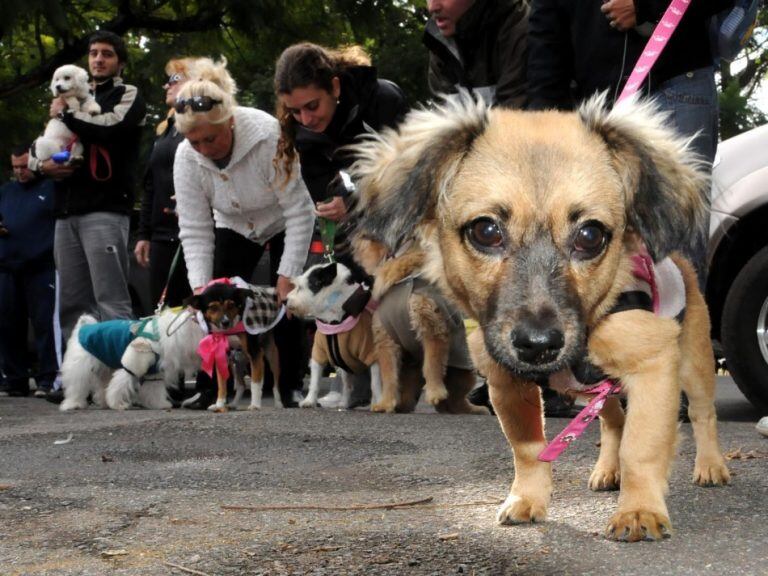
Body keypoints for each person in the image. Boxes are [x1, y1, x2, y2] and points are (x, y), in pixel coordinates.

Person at [528, 0, 734, 288]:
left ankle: (684, 329)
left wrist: (647, 6)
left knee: (676, 252)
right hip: (598, 110)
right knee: (601, 252)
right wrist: (545, 129)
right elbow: (545, 37)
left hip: (674, 86)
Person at [173, 57, 315, 409]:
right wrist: (199, 287)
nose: (204, 149)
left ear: (231, 122)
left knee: (286, 305)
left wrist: (287, 274)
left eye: (211, 138)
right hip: (233, 224)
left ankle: (289, 385)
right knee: (213, 300)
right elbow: (194, 228)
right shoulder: (185, 157)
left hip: (283, 218)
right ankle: (210, 388)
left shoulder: (268, 135)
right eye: (195, 141)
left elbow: (300, 210)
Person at [274, 42, 408, 408]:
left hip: (406, 218)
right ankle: (352, 379)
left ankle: (419, 372)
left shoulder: (383, 99)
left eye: (312, 106)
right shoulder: (303, 134)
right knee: (348, 289)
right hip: (355, 228)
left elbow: (407, 173)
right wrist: (337, 206)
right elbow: (322, 191)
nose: (306, 119)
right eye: (295, 111)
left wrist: (354, 199)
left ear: (334, 87)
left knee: (402, 301)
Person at [37, 31, 146, 338]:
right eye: (94, 53)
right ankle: (79, 381)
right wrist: (43, 166)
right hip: (65, 212)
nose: (99, 59)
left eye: (107, 54)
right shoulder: (66, 97)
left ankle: (118, 379)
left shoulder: (128, 93)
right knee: (73, 305)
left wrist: (68, 115)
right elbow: (48, 141)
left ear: (120, 63)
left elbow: (113, 127)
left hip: (106, 209)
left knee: (111, 300)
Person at [135, 58, 195, 309]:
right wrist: (144, 234)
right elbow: (151, 186)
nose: (166, 86)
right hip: (161, 237)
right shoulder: (165, 131)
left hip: (194, 235)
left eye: (174, 79)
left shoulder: (203, 127)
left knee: (195, 316)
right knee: (160, 315)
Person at [0, 146, 59, 398]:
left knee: (44, 323)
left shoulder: (50, 188)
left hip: (41, 266)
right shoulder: (6, 191)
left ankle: (48, 377)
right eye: (15, 167)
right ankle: (15, 379)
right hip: (7, 266)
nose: (20, 172)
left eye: (24, 166)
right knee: (8, 323)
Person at [423, 0, 529, 108]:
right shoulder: (438, 43)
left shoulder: (518, 28)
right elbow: (442, 116)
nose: (432, 7)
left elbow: (517, 115)